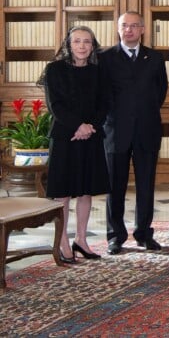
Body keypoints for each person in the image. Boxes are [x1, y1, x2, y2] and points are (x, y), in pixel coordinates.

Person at [99, 11, 168, 255]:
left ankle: (143, 234)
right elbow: (101, 95)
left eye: (134, 26)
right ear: (118, 29)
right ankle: (115, 236)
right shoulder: (105, 57)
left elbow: (160, 92)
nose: (129, 30)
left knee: (146, 186)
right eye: (124, 26)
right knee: (114, 187)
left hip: (147, 130)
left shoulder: (155, 58)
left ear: (142, 29)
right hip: (115, 132)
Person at [39, 26, 109, 263]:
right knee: (64, 192)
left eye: (87, 42)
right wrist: (78, 126)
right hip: (64, 137)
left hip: (91, 136)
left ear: (93, 46)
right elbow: (54, 105)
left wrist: (89, 127)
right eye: (77, 41)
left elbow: (104, 105)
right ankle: (62, 242)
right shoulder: (54, 70)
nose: (82, 46)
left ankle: (81, 239)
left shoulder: (98, 72)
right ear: (68, 45)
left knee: (86, 190)